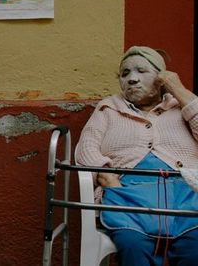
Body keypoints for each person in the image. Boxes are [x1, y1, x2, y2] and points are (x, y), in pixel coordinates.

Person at [75, 46, 198, 266]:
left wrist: (178, 89)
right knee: (133, 245)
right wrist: (107, 178)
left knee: (194, 248)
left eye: (142, 71)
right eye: (125, 74)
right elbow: (86, 149)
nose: (132, 79)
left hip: (185, 196)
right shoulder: (108, 108)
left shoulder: (181, 107)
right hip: (127, 195)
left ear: (161, 78)